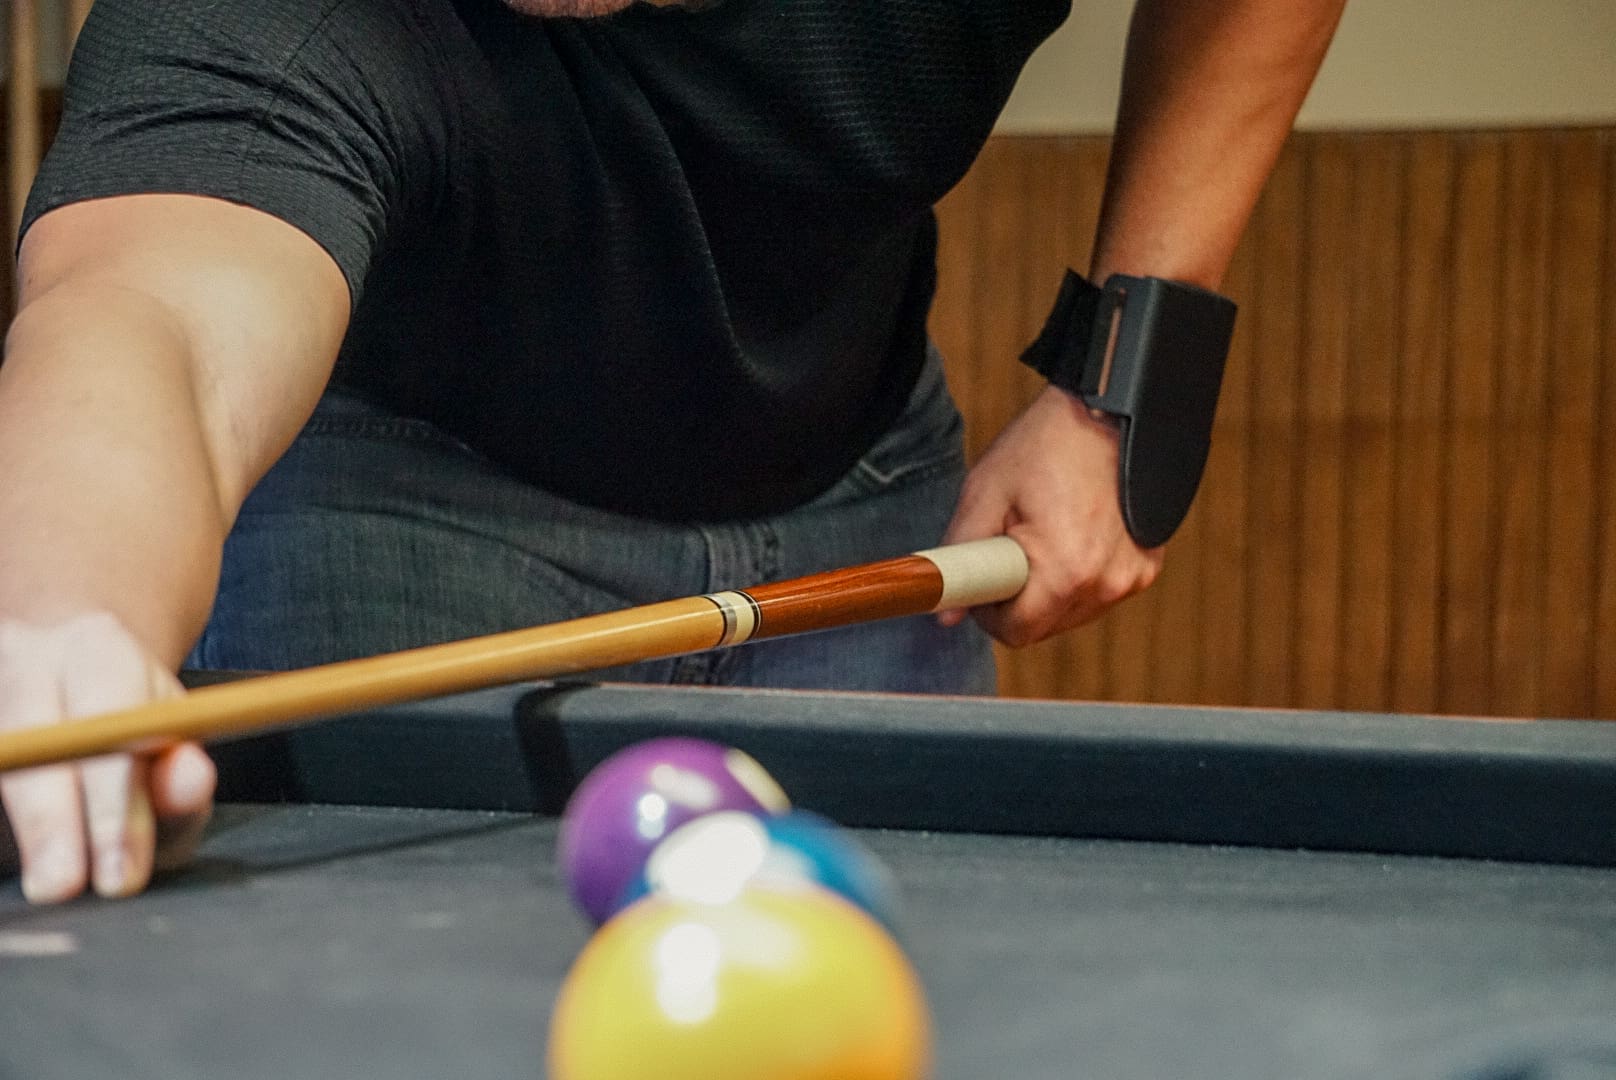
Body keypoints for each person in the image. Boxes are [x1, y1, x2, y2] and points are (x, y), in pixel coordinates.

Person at [0, 0, 1345, 903]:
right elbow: (150, 321)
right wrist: (65, 613)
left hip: (868, 491)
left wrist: (1128, 377)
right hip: (399, 499)